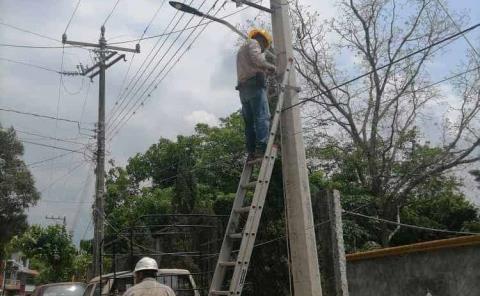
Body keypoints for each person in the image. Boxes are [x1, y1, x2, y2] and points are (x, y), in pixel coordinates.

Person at [236, 28, 276, 160]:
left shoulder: (242, 49)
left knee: (249, 123)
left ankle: (251, 152)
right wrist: (271, 67)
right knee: (262, 117)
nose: (263, 49)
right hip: (254, 86)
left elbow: (251, 65)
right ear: (263, 40)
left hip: (243, 89)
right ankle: (262, 147)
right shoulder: (254, 43)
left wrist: (264, 70)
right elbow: (257, 59)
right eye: (264, 46)